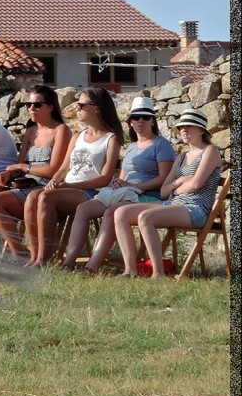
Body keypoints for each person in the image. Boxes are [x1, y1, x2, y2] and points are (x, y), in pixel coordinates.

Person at [67, 96, 175, 273]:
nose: (141, 121)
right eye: (136, 117)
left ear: (153, 121)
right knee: (84, 209)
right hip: (126, 191)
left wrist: (136, 186)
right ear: (130, 122)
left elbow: (164, 179)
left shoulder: (161, 145)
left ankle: (92, 267)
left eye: (146, 117)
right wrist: (119, 183)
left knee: (111, 212)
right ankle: (68, 262)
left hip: (147, 196)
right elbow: (123, 176)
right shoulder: (132, 147)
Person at [111, 108, 222, 279]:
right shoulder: (182, 157)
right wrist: (181, 181)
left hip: (196, 208)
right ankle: (130, 270)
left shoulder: (210, 151)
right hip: (173, 204)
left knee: (146, 217)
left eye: (189, 126)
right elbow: (164, 191)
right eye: (181, 127)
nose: (183, 130)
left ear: (201, 130)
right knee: (120, 213)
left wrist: (178, 187)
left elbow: (196, 184)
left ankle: (158, 273)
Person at [22, 87, 123, 267]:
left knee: (45, 197)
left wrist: (72, 185)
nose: (77, 109)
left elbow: (105, 177)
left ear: (96, 108)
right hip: (69, 186)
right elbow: (64, 167)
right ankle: (35, 255)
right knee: (32, 197)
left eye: (81, 105)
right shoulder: (78, 136)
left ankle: (44, 259)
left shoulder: (111, 139)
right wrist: (55, 180)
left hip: (91, 192)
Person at [0, 85, 72, 260]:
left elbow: (54, 169)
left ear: (51, 107)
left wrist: (23, 168)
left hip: (44, 186)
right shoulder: (32, 131)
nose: (31, 109)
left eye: (37, 105)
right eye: (28, 105)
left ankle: (19, 252)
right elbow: (19, 164)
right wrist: (8, 174)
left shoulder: (61, 130)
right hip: (25, 182)